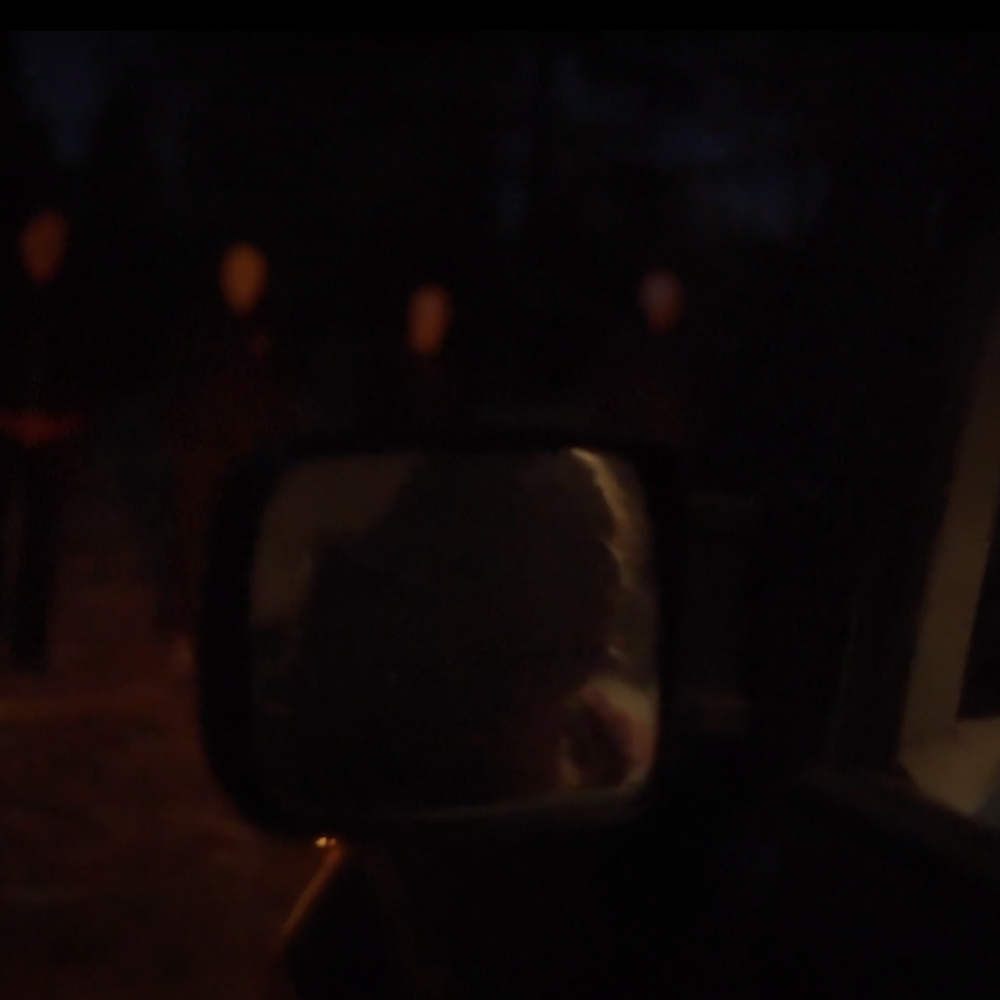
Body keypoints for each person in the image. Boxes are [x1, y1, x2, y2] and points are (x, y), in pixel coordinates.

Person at [257, 448, 660, 815]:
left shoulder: (593, 736)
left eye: (606, 541)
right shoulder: (399, 760)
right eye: (569, 547)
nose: (610, 573)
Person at [161, 241, 296, 674]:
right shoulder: (199, 325)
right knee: (194, 543)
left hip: (251, 458)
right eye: (235, 272)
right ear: (223, 276)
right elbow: (175, 388)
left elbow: (283, 396)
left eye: (251, 273)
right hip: (201, 455)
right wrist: (182, 444)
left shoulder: (273, 331)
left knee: (248, 547)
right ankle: (187, 631)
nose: (242, 281)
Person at [0, 208, 109, 672]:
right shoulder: (9, 295)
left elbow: (95, 371)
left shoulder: (78, 302)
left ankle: (29, 643)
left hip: (58, 440)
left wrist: (65, 418)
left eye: (54, 239)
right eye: (37, 236)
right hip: (5, 431)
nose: (45, 247)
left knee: (41, 543)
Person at [582, 267, 717, 454]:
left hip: (674, 452)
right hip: (630, 450)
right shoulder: (624, 352)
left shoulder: (691, 353)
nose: (663, 312)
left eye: (669, 303)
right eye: (657, 302)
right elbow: (602, 404)